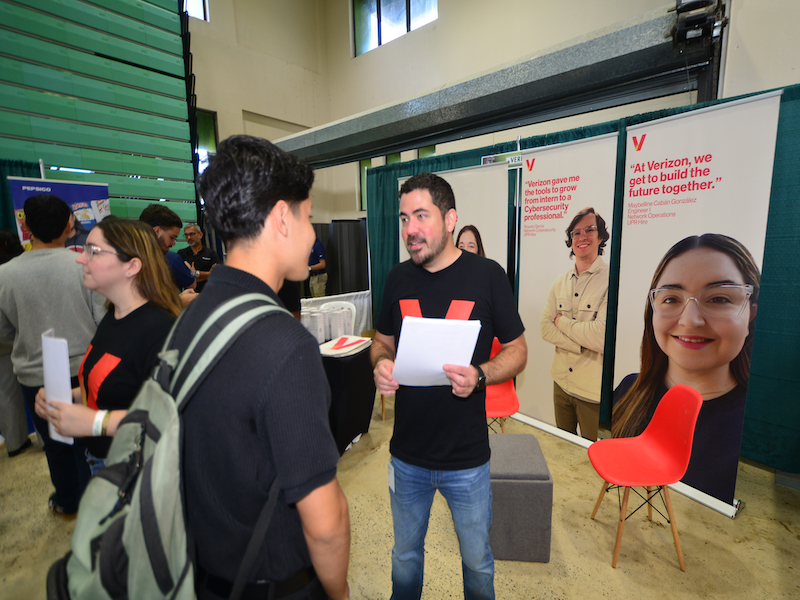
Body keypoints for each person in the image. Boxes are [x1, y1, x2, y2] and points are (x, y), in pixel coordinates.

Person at [181, 135, 350, 600]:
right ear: (281, 218)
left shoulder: (193, 314)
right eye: (309, 217)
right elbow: (326, 523)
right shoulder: (285, 345)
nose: (313, 233)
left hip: (204, 572)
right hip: (275, 583)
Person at [371, 172, 527, 600]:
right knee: (404, 558)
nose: (410, 229)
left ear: (450, 218)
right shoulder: (396, 279)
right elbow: (381, 342)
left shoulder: (488, 276)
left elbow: (517, 351)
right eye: (404, 218)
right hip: (407, 456)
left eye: (421, 215)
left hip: (468, 459)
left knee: (477, 562)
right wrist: (381, 364)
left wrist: (480, 375)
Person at [612, 233, 759, 504]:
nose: (690, 321)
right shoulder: (627, 390)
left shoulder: (760, 428)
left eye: (719, 299)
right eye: (671, 299)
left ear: (751, 313)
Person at [34, 218, 181, 474]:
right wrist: (68, 397)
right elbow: (119, 388)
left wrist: (94, 422)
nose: (80, 259)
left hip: (134, 470)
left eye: (94, 251)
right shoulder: (114, 315)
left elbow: (171, 418)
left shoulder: (161, 331)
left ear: (132, 266)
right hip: (101, 459)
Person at [0, 195, 106, 516]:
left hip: (37, 376)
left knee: (57, 446)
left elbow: (4, 335)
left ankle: (69, 501)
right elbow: (103, 320)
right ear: (69, 225)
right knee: (94, 441)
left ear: (26, 226)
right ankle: (101, 502)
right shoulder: (84, 264)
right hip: (85, 370)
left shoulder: (4, 275)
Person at [540, 207, 610, 441]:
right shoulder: (559, 283)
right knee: (563, 450)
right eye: (576, 232)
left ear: (600, 237)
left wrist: (562, 322)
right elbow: (545, 328)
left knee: (591, 457)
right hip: (561, 382)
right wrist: (579, 344)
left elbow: (601, 337)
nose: (582, 237)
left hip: (590, 390)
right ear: (570, 241)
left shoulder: (612, 281)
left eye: (589, 230)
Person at [0, 229, 31, 457]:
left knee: (6, 393)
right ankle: (45, 438)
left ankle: (15, 443)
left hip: (4, 343)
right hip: (26, 340)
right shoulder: (20, 270)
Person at [138, 203, 197, 293]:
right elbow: (191, 285)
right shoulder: (171, 259)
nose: (173, 243)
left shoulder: (127, 257)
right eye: (171, 237)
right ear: (157, 230)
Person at [177, 222, 220, 293]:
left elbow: (215, 275)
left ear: (200, 234)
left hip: (208, 293)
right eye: (186, 235)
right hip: (190, 295)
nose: (189, 238)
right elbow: (183, 277)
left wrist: (195, 273)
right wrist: (208, 274)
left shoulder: (211, 253)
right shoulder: (182, 253)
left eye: (192, 234)